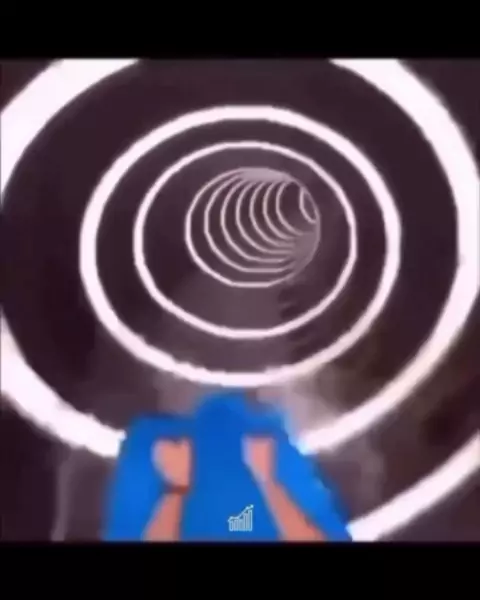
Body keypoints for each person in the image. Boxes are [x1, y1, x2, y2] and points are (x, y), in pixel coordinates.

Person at [104, 391, 352, 542]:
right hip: (250, 432)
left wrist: (176, 490)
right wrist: (269, 483)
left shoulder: (152, 443)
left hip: (176, 431)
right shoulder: (274, 447)